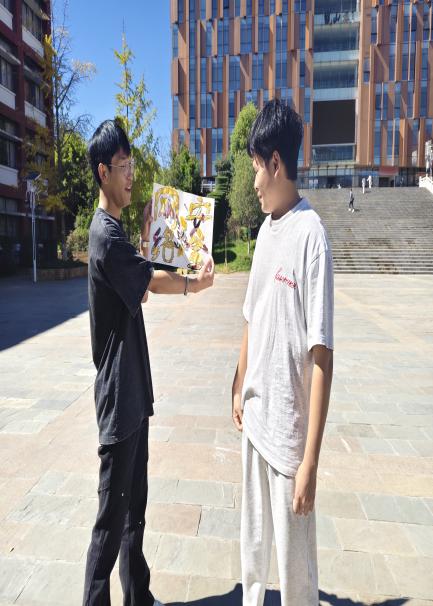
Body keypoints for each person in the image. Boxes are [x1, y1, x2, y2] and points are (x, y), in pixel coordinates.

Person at [83, 120, 214, 606]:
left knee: (133, 510)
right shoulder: (104, 235)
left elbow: (135, 283)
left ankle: (138, 596)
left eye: (132, 164)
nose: (131, 175)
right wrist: (194, 284)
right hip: (120, 399)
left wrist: (147, 239)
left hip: (133, 393)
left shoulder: (115, 231)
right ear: (103, 172)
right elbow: (149, 284)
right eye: (123, 166)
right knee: (110, 521)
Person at [232, 99, 334, 606]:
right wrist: (238, 384)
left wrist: (310, 460)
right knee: (252, 558)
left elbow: (322, 356)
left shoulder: (311, 236)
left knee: (296, 576)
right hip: (255, 423)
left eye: (256, 168)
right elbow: (252, 315)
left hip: (290, 440)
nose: (254, 182)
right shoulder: (265, 231)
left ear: (276, 163)